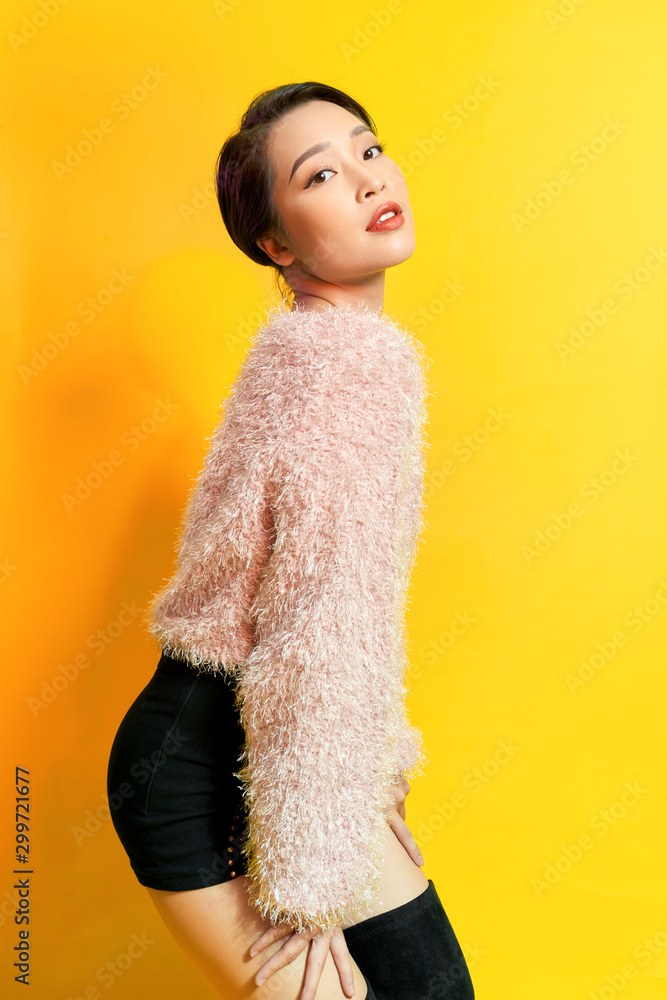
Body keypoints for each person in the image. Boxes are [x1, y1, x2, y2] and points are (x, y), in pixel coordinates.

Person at [106, 81, 475, 1000]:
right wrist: (311, 885)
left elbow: (340, 610)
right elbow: (311, 634)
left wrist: (374, 776)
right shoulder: (338, 375)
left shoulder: (314, 349)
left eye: (368, 148)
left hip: (273, 751)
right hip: (198, 771)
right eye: (319, 174)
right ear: (276, 243)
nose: (365, 178)